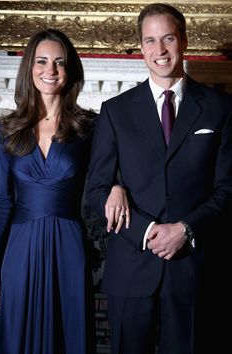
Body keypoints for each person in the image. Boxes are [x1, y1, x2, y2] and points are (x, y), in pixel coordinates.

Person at [86, 3, 232, 354]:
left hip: (194, 272)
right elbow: (96, 190)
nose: (160, 50)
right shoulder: (115, 111)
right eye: (150, 41)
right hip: (131, 271)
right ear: (141, 48)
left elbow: (228, 188)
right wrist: (148, 232)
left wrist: (185, 229)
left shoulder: (220, 108)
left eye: (167, 38)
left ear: (183, 40)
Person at [0, 28, 129, 354]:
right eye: (42, 61)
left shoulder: (89, 128)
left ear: (70, 71)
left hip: (69, 245)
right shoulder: (5, 131)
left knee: (67, 336)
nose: (50, 70)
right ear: (29, 68)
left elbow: (111, 173)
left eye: (59, 62)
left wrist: (118, 186)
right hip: (18, 249)